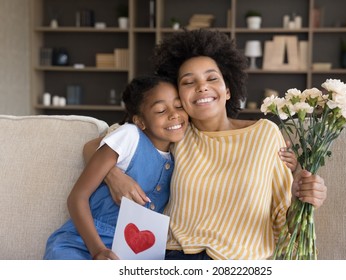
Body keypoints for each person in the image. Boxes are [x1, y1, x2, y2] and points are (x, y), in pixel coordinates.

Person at [85, 29, 326, 260]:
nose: (202, 86)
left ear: (228, 90)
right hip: (173, 257)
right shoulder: (175, 132)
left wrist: (303, 199)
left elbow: (283, 221)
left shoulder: (265, 134)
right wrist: (113, 176)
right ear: (178, 95)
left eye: (212, 78)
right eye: (188, 82)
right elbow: (94, 146)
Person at [43, 75, 188, 260]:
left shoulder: (181, 153)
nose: (174, 114)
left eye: (179, 106)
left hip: (132, 252)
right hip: (81, 244)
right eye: (160, 110)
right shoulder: (129, 136)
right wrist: (97, 251)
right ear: (140, 121)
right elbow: (77, 198)